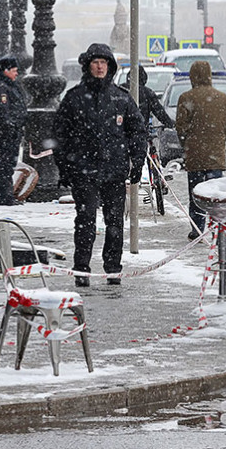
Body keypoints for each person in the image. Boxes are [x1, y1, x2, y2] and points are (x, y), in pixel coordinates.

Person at [54, 43, 147, 287]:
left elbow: (137, 132)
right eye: (95, 62)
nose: (99, 67)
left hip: (114, 172)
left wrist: (137, 162)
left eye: (104, 63)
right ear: (88, 66)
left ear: (110, 67)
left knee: (114, 224)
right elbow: (60, 136)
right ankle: (82, 268)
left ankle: (113, 269)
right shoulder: (74, 98)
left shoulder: (121, 98)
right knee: (85, 222)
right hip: (84, 172)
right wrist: (65, 169)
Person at [174, 60, 226, 237]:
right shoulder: (222, 98)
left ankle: (197, 228)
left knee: (197, 194)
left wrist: (187, 145)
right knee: (216, 195)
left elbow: (181, 127)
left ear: (192, 76)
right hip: (215, 156)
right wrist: (219, 141)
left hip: (195, 156)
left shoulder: (186, 98)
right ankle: (218, 229)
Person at [125, 64, 174, 182]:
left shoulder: (122, 92)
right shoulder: (148, 93)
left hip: (124, 134)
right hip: (141, 133)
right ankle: (155, 179)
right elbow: (159, 112)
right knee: (142, 156)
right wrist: (169, 123)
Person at [0, 55, 27, 206]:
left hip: (14, 132)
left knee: (10, 165)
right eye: (14, 70)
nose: (16, 73)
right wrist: (10, 126)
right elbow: (2, 112)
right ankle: (5, 197)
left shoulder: (12, 86)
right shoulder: (1, 88)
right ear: (5, 71)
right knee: (6, 165)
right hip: (6, 134)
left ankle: (7, 195)